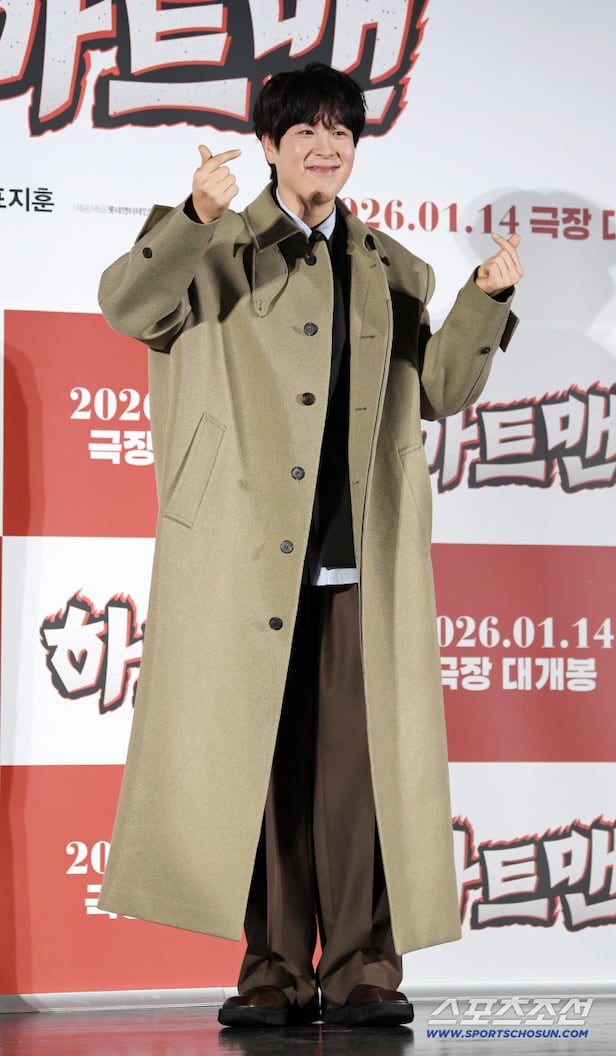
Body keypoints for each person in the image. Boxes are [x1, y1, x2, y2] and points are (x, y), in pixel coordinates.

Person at [97, 62, 523, 1029]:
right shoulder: (214, 245)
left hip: (357, 560)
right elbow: (128, 308)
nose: (325, 148)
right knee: (263, 767)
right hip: (245, 558)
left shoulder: (394, 268)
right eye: (306, 132)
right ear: (270, 145)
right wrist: (193, 216)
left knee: (360, 773)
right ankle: (275, 968)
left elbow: (441, 389)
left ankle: (365, 964)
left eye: (341, 133)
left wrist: (484, 300)